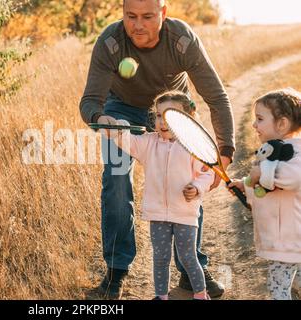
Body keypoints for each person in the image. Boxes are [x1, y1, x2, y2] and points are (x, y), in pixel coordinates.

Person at [79, 0, 235, 299]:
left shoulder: (181, 39)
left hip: (175, 107)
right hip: (121, 109)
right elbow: (89, 102)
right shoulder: (110, 42)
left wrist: (224, 152)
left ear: (163, 14)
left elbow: (217, 97)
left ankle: (191, 270)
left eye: (148, 17)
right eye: (131, 16)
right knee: (116, 178)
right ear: (122, 14)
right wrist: (102, 120)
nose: (138, 25)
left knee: (186, 178)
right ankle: (117, 269)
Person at [106, 91, 214, 300]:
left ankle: (200, 294)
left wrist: (197, 187)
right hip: (157, 214)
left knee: (188, 257)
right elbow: (127, 141)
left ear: (187, 120)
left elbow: (207, 174)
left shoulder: (193, 147)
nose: (162, 121)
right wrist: (112, 128)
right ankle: (161, 296)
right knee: (160, 258)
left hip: (184, 212)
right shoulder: (149, 143)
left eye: (169, 116)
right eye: (157, 115)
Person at [228, 88, 301, 300]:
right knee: (292, 282)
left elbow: (292, 178)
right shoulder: (271, 151)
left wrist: (261, 172)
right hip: (287, 239)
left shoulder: (295, 152)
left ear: (282, 124)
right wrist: (245, 184)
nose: (254, 125)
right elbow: (266, 190)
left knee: (278, 289)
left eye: (259, 119)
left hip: (289, 239)